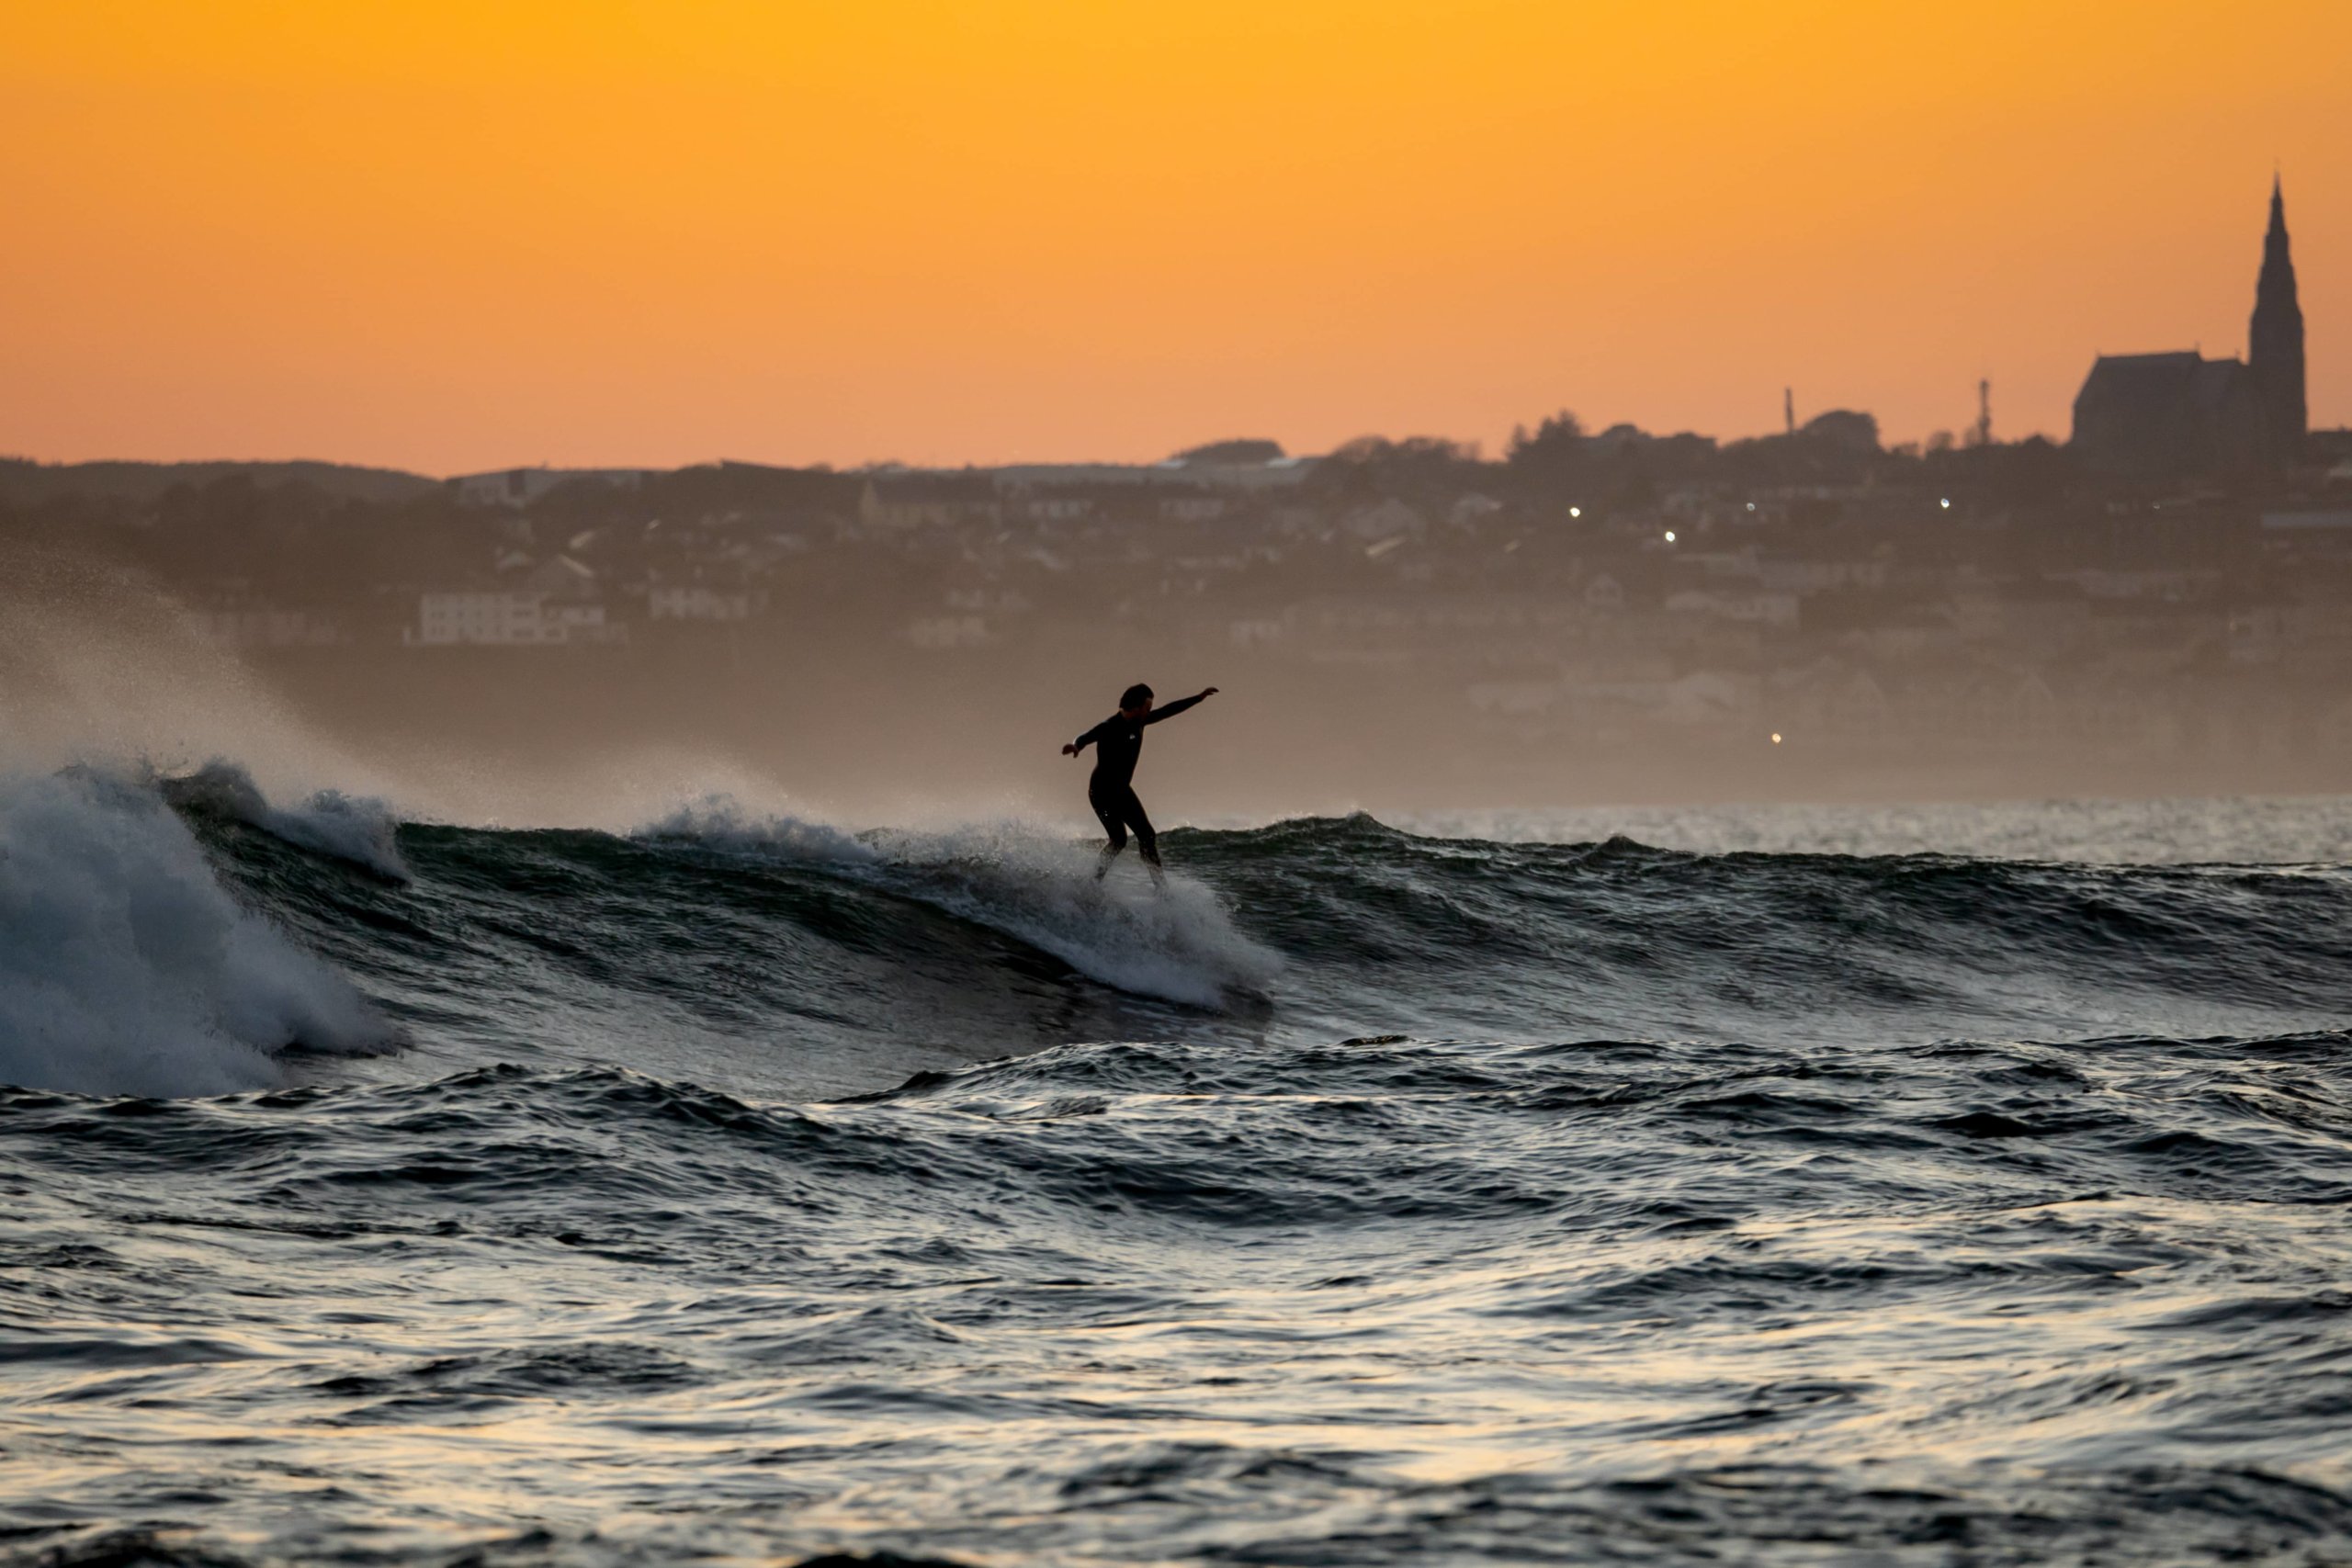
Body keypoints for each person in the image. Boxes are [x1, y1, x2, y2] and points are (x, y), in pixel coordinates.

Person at [1062, 682, 1218, 882]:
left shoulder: (1140, 722)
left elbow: (1169, 710)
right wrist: (1076, 747)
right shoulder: (1110, 726)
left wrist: (1198, 698)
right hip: (1101, 793)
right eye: (1147, 707)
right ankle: (1094, 882)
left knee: (1147, 836)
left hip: (1122, 790)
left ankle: (1160, 888)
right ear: (1136, 707)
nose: (1150, 711)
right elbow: (1085, 737)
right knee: (1119, 840)